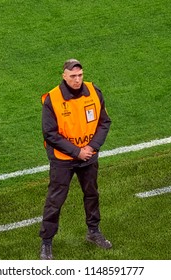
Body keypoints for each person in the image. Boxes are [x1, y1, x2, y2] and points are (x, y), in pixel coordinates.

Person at [39, 58, 112, 260]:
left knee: (91, 194)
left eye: (80, 75)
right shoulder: (52, 99)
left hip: (88, 156)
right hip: (63, 159)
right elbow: (50, 134)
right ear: (64, 75)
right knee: (55, 200)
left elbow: (104, 122)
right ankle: (46, 242)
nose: (77, 79)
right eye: (73, 76)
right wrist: (77, 152)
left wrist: (91, 147)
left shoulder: (94, 92)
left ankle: (94, 232)